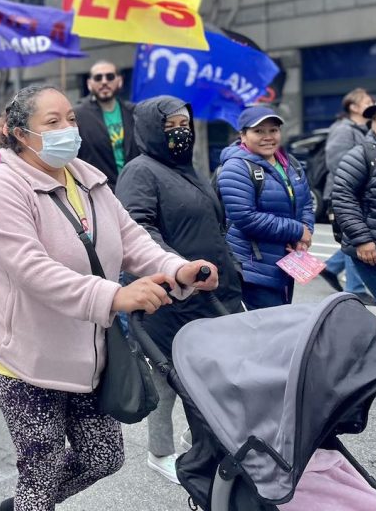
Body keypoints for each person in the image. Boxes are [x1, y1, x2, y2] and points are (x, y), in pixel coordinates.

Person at [0, 85, 219, 511]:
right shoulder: (0, 187)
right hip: (23, 356)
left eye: (70, 118)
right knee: (42, 469)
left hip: (88, 349)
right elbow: (32, 271)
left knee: (103, 457)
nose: (68, 128)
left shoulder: (88, 178)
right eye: (52, 122)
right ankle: (33, 502)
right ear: (18, 133)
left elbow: (132, 240)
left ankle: (22, 506)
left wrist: (177, 269)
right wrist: (117, 296)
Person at [114, 96, 244, 484]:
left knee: (211, 376)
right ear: (151, 129)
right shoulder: (140, 171)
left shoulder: (187, 168)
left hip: (212, 295)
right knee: (171, 381)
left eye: (184, 123)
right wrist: (178, 266)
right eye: (169, 125)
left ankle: (200, 438)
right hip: (172, 298)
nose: (179, 132)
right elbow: (139, 231)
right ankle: (161, 452)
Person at [218, 106, 315, 310]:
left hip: (285, 261)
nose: (268, 137)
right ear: (243, 135)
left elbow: (305, 202)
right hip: (254, 266)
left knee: (281, 320)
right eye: (259, 131)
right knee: (267, 329)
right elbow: (246, 217)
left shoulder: (290, 163)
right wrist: (297, 230)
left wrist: (304, 236)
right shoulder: (235, 168)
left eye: (273, 130)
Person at [333, 95, 376, 412]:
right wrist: (363, 239)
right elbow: (342, 197)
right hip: (371, 251)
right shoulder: (364, 154)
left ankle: (365, 367)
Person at [320, 88, 373, 298]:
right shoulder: (343, 129)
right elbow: (336, 162)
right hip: (345, 193)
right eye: (367, 101)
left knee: (356, 234)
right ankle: (356, 289)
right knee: (356, 235)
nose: (372, 104)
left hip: (360, 193)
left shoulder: (363, 129)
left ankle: (331, 267)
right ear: (353, 106)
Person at [74, 61, 139, 190]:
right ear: (89, 84)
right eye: (98, 78)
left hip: (135, 187)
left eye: (110, 77)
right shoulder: (77, 116)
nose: (104, 82)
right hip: (99, 190)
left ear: (119, 81)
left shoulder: (134, 112)